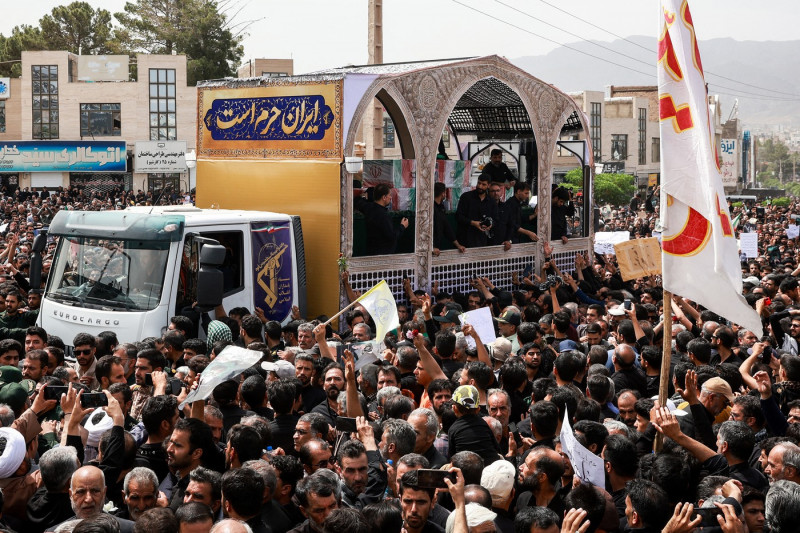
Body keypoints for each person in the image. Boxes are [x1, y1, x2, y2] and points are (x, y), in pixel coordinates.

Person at [354, 183, 408, 255]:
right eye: (389, 195)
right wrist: (403, 226)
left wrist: (366, 196)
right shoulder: (383, 216)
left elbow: (357, 200)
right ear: (384, 197)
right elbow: (392, 236)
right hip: (384, 256)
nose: (391, 197)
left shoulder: (368, 208)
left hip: (370, 253)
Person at [456, 174, 499, 248]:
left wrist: (490, 225)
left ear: (488, 186)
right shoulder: (466, 197)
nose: (480, 186)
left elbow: (496, 218)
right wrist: (473, 223)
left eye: (483, 184)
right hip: (466, 239)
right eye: (479, 183)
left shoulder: (491, 201)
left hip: (483, 241)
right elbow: (458, 216)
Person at [432, 182, 465, 256]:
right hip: (430, 250)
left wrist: (458, 245)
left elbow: (447, 228)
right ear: (443, 193)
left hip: (437, 249)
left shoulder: (441, 207)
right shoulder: (430, 208)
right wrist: (431, 248)